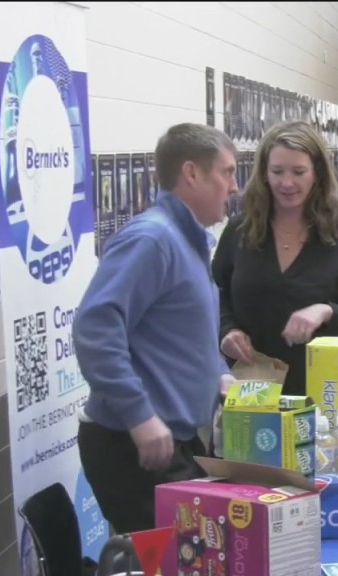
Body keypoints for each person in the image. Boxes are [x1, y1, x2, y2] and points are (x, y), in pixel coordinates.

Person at [73, 123, 239, 534]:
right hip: (132, 443)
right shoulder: (152, 240)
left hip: (175, 438)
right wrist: (139, 415)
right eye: (228, 172)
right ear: (192, 174)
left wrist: (218, 373)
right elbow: (96, 326)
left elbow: (187, 333)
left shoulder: (190, 241)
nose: (234, 187)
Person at [212, 121, 338, 397]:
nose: (286, 183)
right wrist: (226, 331)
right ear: (264, 173)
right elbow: (214, 295)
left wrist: (326, 311)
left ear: (317, 174)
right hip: (251, 391)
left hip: (323, 394)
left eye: (298, 172)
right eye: (277, 171)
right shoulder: (240, 231)